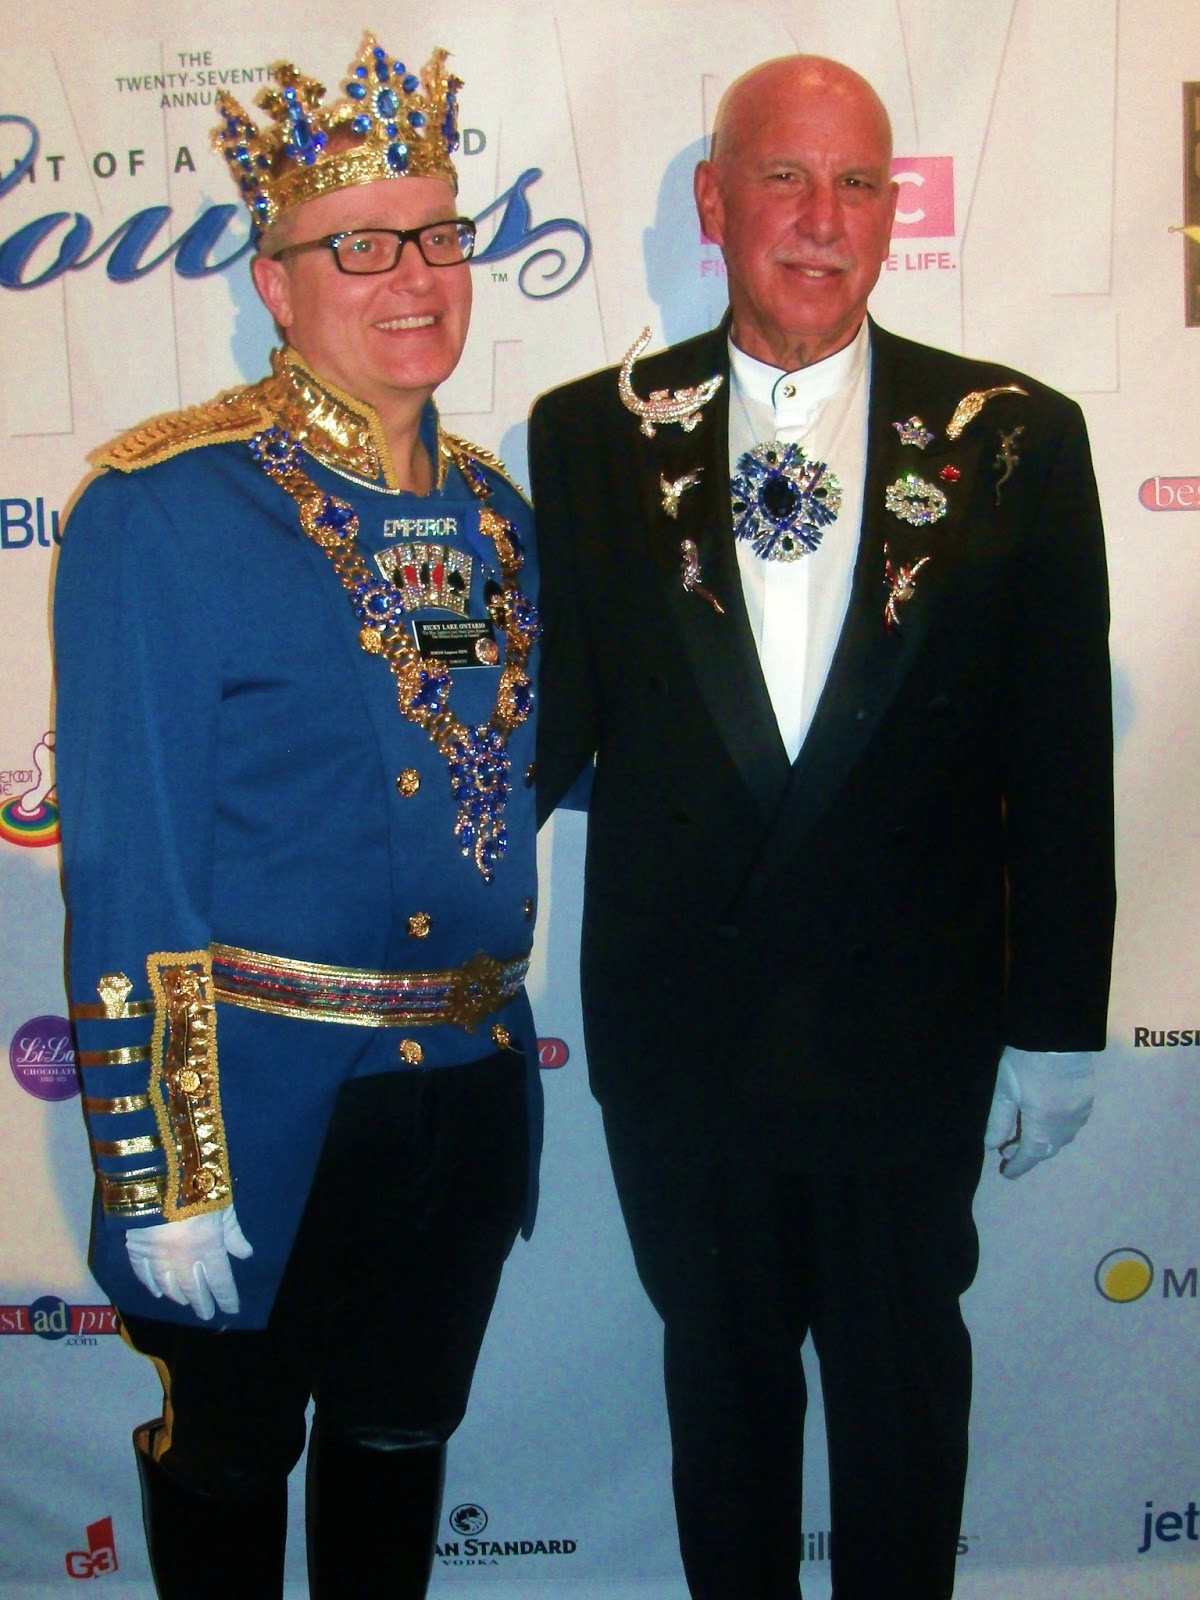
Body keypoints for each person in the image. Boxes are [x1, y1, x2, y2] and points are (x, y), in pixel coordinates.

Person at [529, 54, 1113, 1600]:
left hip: (908, 1034)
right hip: (686, 1029)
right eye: (784, 178)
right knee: (721, 1408)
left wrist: (1059, 1023)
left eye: (859, 184)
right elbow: (541, 716)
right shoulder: (592, 433)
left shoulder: (1014, 435)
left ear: (894, 212)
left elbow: (1060, 761)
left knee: (903, 1405)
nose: (822, 219)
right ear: (715, 202)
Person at [55, 32, 540, 1600]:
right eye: (361, 247)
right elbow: (127, 862)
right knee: (231, 1458)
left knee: (400, 1441)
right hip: (260, 1102)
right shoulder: (164, 509)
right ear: (276, 281)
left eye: (439, 236)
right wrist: (163, 1165)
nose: (415, 277)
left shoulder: (487, 517)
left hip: (462, 1095)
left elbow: (492, 766)